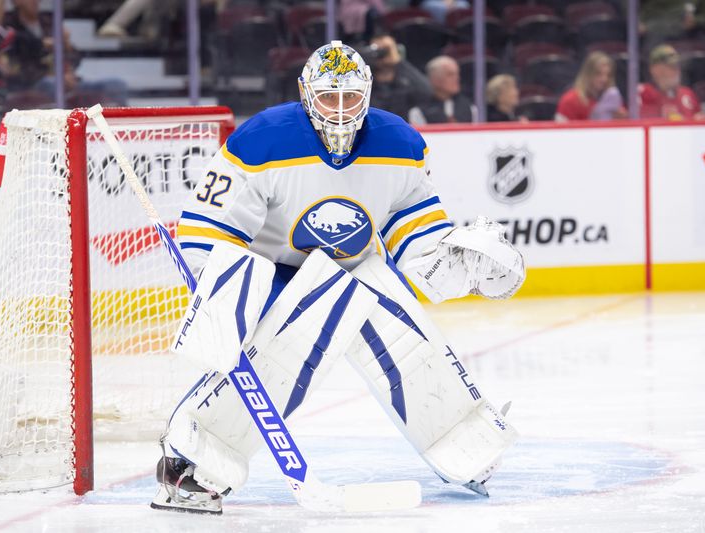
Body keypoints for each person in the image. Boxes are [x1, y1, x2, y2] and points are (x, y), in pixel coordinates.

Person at [151, 41, 524, 514]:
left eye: (352, 98)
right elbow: (209, 232)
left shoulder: (402, 145)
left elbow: (416, 231)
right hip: (276, 274)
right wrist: (227, 297)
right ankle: (192, 464)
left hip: (355, 268)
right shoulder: (261, 140)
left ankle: (465, 444)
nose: (342, 111)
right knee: (281, 354)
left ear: (368, 95)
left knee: (407, 335)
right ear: (307, 95)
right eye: (330, 97)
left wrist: (454, 261)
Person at [4, 0, 128, 104]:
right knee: (51, 85)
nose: (35, 1)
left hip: (67, 79)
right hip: (35, 83)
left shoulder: (48, 21)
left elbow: (76, 59)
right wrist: (43, 45)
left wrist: (68, 46)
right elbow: (17, 58)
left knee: (116, 85)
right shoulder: (9, 24)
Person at [363, 34, 431, 120]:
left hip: (398, 126)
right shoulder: (366, 79)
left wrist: (398, 61)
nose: (382, 54)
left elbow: (426, 92)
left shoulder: (403, 80)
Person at [555, 51, 627, 121]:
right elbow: (560, 130)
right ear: (587, 74)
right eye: (598, 74)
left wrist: (622, 119)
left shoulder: (613, 100)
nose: (604, 79)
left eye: (608, 75)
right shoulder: (570, 100)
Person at [638, 44, 704, 120]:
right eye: (671, 66)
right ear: (654, 69)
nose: (677, 71)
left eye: (678, 66)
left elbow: (699, 118)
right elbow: (640, 121)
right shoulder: (643, 92)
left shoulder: (687, 93)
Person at [408, 55, 477, 124]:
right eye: (450, 74)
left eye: (457, 74)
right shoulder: (418, 112)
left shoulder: (471, 108)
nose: (457, 78)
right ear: (434, 79)